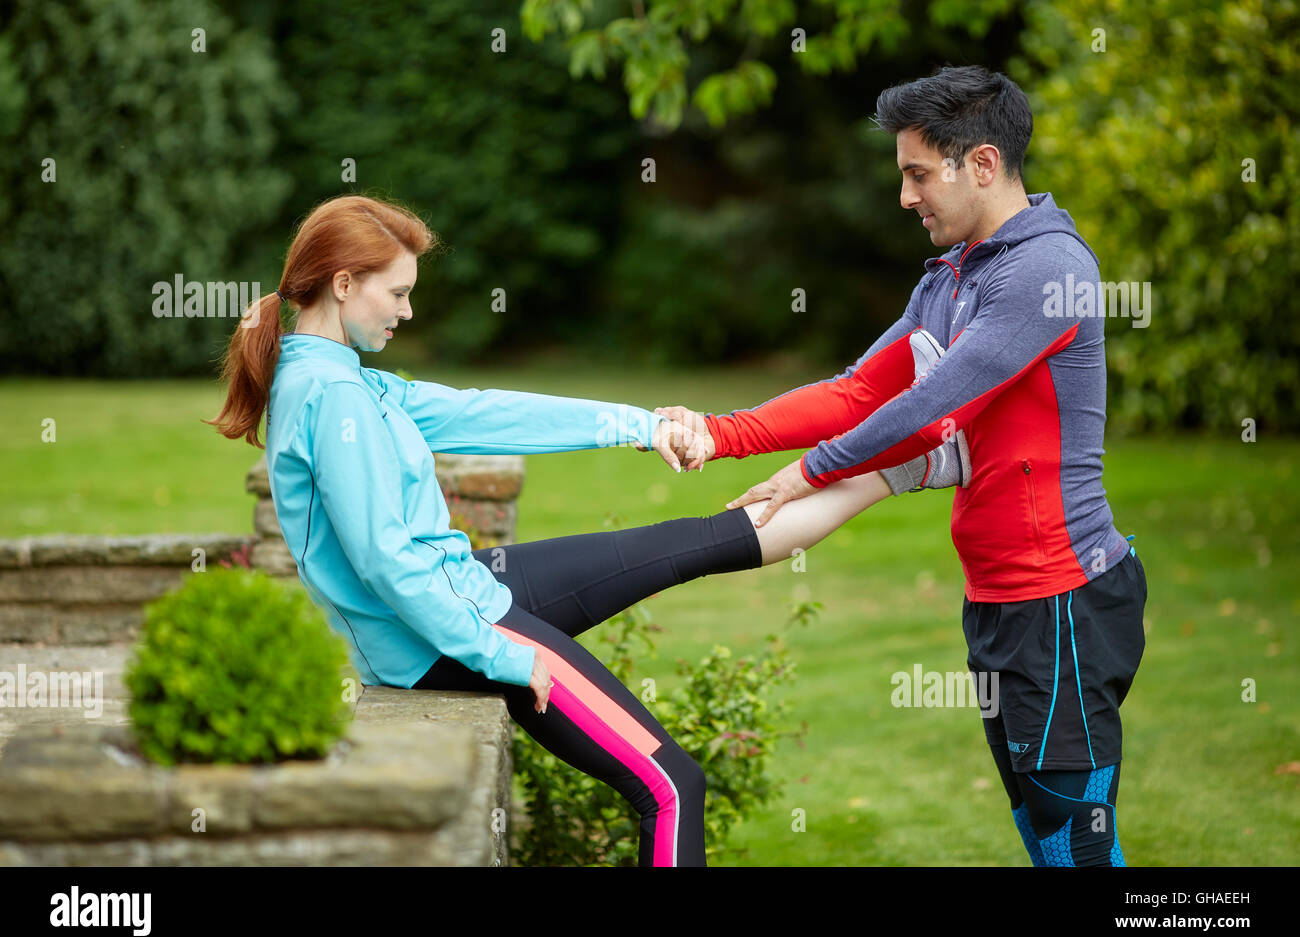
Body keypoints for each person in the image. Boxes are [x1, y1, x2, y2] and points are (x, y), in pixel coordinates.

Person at [203, 193, 949, 867]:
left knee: (689, 544)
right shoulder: (331, 394)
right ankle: (907, 469)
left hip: (462, 591)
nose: (405, 313)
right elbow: (382, 562)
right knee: (672, 787)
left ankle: (905, 470)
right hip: (446, 632)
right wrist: (495, 652)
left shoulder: (344, 377)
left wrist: (639, 425)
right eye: (397, 294)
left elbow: (481, 413)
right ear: (342, 284)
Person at [658, 66, 1147, 867]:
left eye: (918, 174)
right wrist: (721, 432)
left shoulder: (1047, 270)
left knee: (1074, 840)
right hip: (997, 598)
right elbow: (857, 392)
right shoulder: (954, 275)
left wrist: (808, 473)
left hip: (1063, 599)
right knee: (1041, 830)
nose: (905, 196)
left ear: (981, 165)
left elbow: (934, 406)